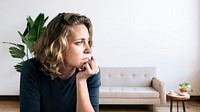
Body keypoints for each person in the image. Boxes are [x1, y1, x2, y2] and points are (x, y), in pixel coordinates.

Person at [20, 13, 101, 112]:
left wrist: (81, 81)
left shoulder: (90, 72)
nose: (88, 49)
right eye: (79, 43)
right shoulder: (32, 68)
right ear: (58, 46)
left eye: (88, 42)